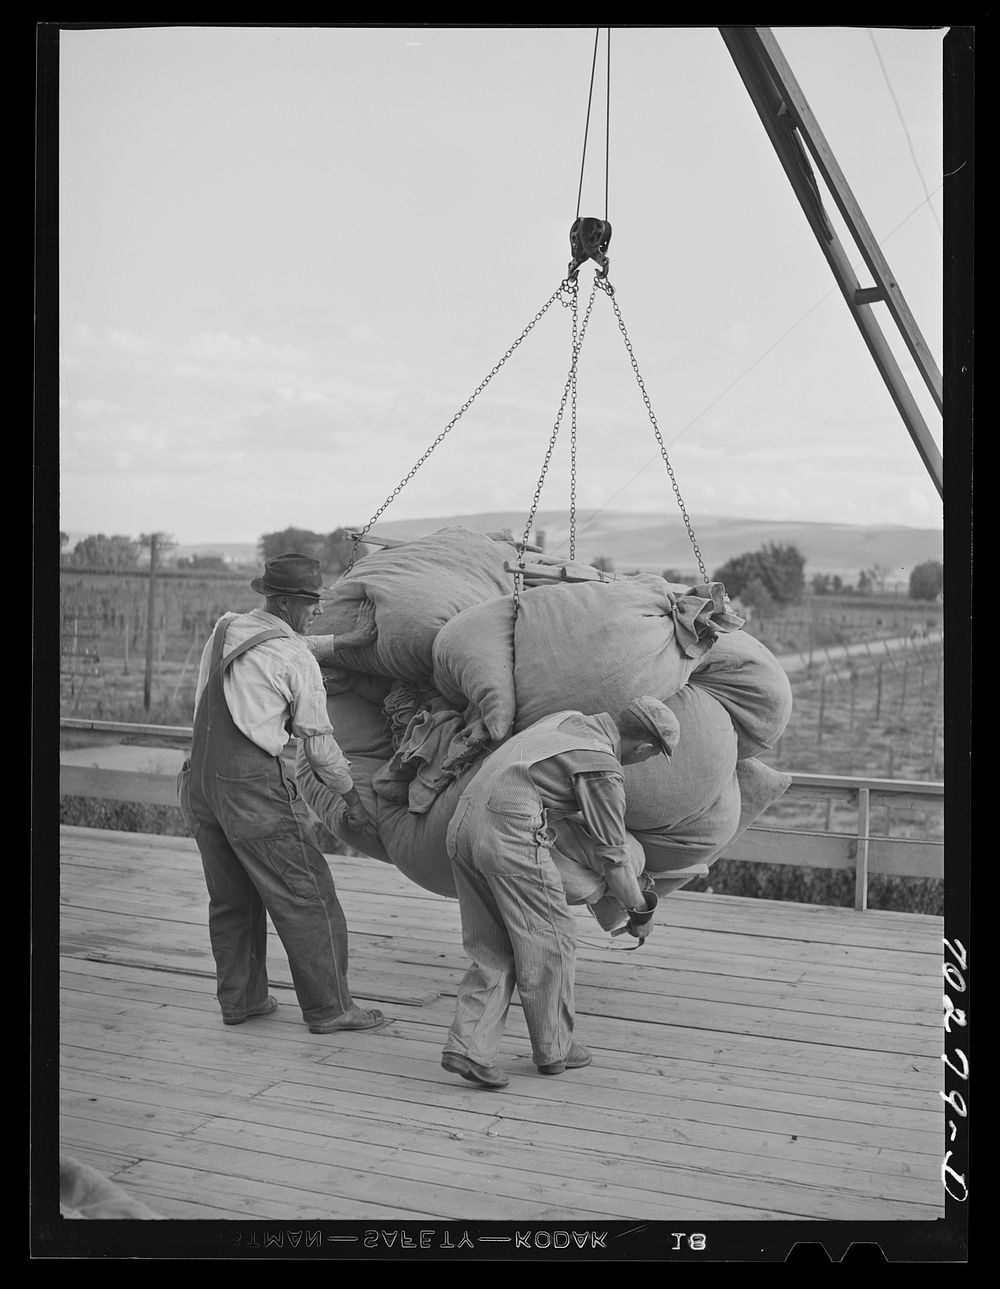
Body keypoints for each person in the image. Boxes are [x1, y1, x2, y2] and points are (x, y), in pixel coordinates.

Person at [177, 552, 387, 1034]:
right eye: (312, 601)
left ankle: (242, 1002)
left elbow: (282, 643)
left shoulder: (227, 627)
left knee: (231, 899)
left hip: (201, 782)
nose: (317, 609)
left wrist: (341, 642)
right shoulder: (296, 661)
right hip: (251, 788)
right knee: (308, 894)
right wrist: (352, 800)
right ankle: (331, 1009)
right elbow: (319, 747)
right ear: (289, 601)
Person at [440, 697, 679, 1088]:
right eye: (651, 756)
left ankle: (468, 1048)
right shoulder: (601, 767)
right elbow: (615, 858)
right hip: (509, 835)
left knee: (492, 946)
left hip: (462, 825)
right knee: (551, 942)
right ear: (645, 748)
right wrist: (639, 911)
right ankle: (555, 1050)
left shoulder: (564, 718)